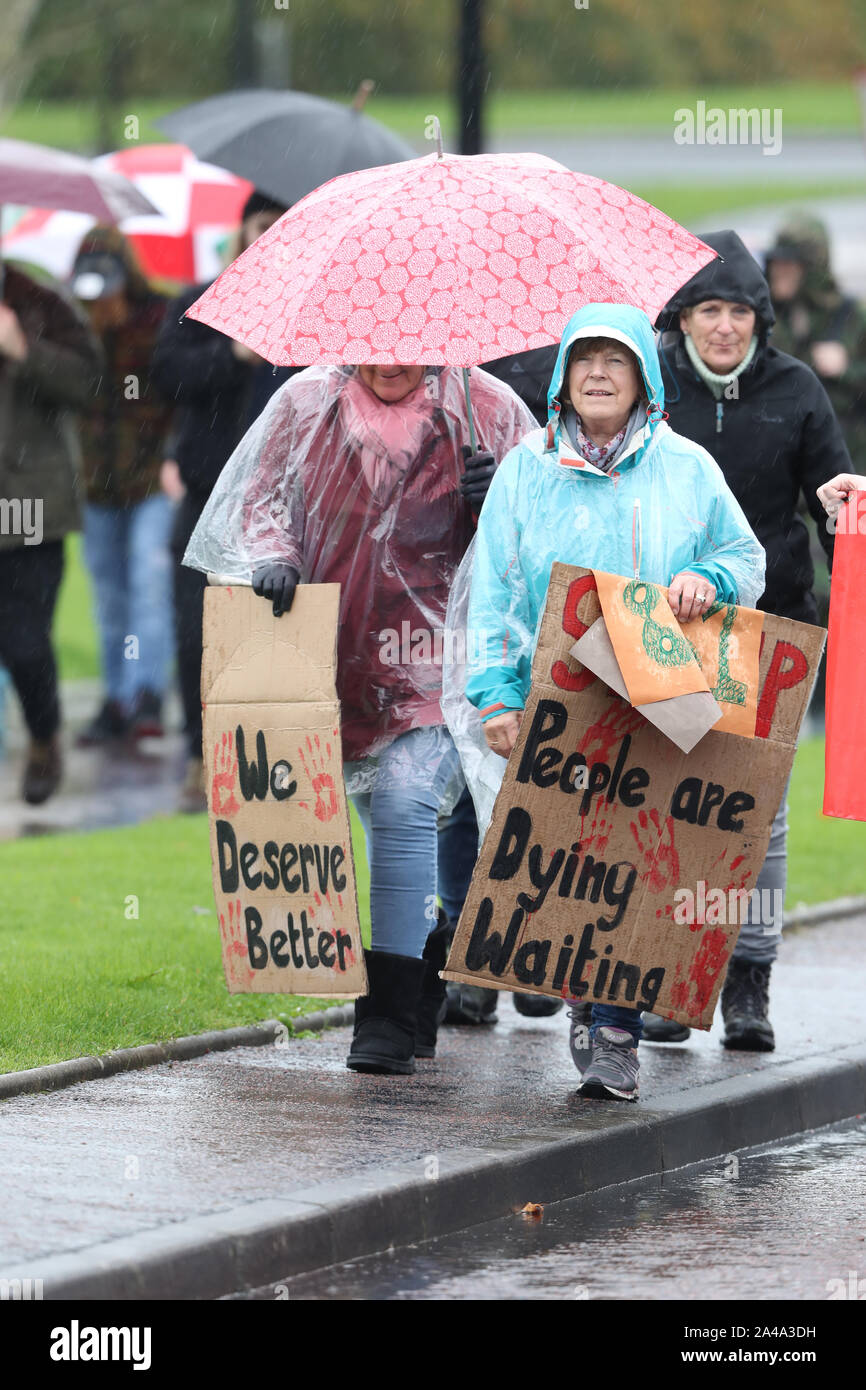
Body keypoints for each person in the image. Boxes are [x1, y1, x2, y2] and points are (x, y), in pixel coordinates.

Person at [450, 302, 764, 1102]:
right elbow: (492, 594)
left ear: (643, 379)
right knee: (567, 867)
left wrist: (712, 579)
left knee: (634, 863)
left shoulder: (687, 468)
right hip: (554, 707)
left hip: (655, 705)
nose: (597, 374)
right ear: (561, 377)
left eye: (615, 360)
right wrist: (495, 699)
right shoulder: (525, 469)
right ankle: (585, 1010)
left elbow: (744, 554)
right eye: (583, 359)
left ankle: (612, 1029)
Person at [184, 360, 535, 1075]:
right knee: (382, 820)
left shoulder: (485, 405)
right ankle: (425, 964)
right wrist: (273, 557)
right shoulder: (304, 404)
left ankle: (385, 1019)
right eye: (373, 345)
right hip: (334, 648)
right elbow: (263, 503)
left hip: (439, 654)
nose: (390, 360)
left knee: (406, 801)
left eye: (407, 345)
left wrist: (496, 494)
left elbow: (542, 520)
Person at [652, 229, 853, 1051]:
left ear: (760, 318)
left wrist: (850, 517)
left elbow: (835, 508)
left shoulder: (796, 387)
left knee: (757, 814)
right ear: (684, 318)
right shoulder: (652, 386)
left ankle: (748, 985)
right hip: (668, 626)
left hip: (776, 626)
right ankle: (667, 976)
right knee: (671, 805)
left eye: (739, 310)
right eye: (709, 309)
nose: (724, 326)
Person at [152, 191, 293, 811]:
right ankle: (197, 749)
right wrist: (231, 354)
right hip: (209, 498)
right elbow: (166, 375)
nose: (266, 238)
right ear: (239, 231)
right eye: (258, 226)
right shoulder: (203, 303)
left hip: (285, 506)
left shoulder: (309, 311)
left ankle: (268, 756)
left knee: (275, 636)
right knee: (194, 632)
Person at [0, 264, 102, 803]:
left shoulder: (40, 302)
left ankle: (44, 739)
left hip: (28, 505)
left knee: (24, 643)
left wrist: (22, 347)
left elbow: (91, 383)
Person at [70, 227, 173, 744]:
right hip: (96, 486)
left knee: (149, 587)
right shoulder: (76, 328)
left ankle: (146, 693)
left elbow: (174, 391)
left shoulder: (159, 319)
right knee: (109, 598)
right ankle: (115, 697)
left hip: (152, 480)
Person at [766, 213, 866, 472]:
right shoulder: (765, 317)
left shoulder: (853, 315)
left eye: (789, 263)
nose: (779, 270)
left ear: (811, 267)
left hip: (848, 457)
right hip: (785, 453)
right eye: (775, 262)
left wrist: (845, 371)